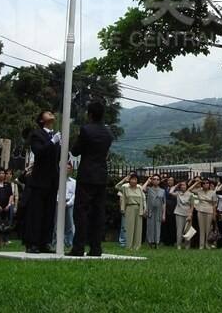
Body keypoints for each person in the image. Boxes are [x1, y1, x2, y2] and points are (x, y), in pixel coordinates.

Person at [68, 100, 113, 257]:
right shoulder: (108, 133)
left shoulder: (85, 130)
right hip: (101, 175)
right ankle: (96, 248)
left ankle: (78, 247)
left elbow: (75, 151)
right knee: (98, 212)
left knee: (81, 211)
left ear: (90, 114)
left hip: (87, 175)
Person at [24, 110, 61, 254]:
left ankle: (45, 242)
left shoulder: (55, 135)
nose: (51, 114)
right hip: (39, 180)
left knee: (49, 213)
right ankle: (33, 243)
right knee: (36, 213)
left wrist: (60, 146)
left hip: (52, 180)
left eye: (52, 112)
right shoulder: (37, 134)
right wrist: (52, 142)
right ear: (41, 120)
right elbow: (38, 151)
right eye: (47, 113)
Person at [115, 173, 146, 251]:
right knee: (129, 227)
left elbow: (143, 198)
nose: (133, 181)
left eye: (135, 179)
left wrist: (145, 208)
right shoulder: (125, 187)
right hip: (129, 208)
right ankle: (129, 246)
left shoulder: (139, 188)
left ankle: (137, 246)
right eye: (132, 179)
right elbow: (117, 187)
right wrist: (124, 180)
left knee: (138, 228)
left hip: (139, 208)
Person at [191, 177, 218, 250]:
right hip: (200, 211)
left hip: (209, 211)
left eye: (207, 183)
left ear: (209, 184)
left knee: (208, 229)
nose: (206, 184)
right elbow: (190, 189)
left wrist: (214, 215)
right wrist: (197, 182)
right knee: (201, 229)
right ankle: (201, 245)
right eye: (204, 183)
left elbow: (214, 204)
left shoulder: (213, 192)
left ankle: (207, 244)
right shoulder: (199, 191)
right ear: (202, 185)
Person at [171, 179, 197, 250]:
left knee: (188, 231)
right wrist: (176, 185)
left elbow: (192, 206)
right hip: (179, 213)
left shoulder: (190, 194)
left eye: (184, 185)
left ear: (186, 186)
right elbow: (170, 192)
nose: (183, 186)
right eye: (181, 185)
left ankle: (187, 245)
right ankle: (179, 245)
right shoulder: (178, 193)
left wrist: (190, 215)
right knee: (179, 230)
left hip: (187, 214)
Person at [144, 174, 166, 248]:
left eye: (157, 179)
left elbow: (164, 203)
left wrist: (164, 214)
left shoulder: (162, 191)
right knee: (150, 227)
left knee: (157, 227)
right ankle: (150, 242)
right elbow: (142, 189)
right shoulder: (149, 189)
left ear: (159, 181)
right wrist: (148, 181)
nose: (156, 181)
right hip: (150, 210)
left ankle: (157, 242)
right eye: (154, 179)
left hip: (159, 211)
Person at [162, 176, 177, 246]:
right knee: (165, 226)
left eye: (171, 180)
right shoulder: (164, 189)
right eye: (168, 180)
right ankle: (165, 240)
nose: (170, 182)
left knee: (172, 226)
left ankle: (172, 241)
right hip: (165, 209)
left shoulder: (176, 189)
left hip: (173, 209)